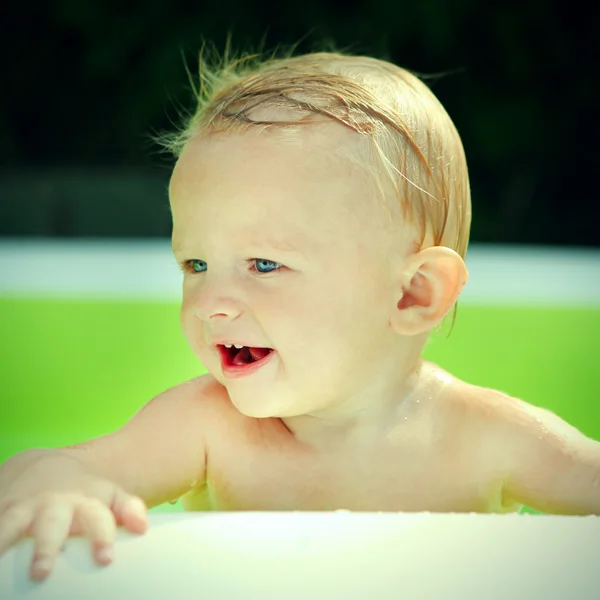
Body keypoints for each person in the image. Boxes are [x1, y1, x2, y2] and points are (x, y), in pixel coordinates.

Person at [1, 48, 598, 583]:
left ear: (412, 294)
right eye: (196, 264)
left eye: (263, 264)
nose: (211, 303)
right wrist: (56, 488)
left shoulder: (486, 438)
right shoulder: (208, 429)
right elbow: (52, 468)